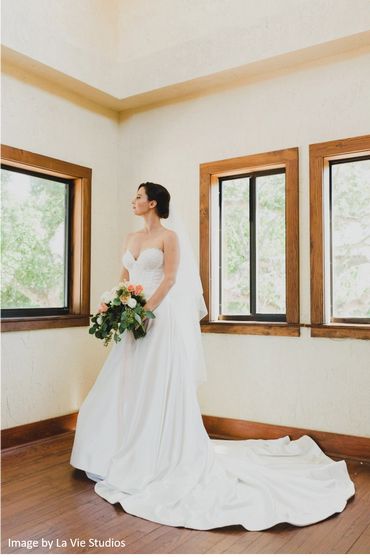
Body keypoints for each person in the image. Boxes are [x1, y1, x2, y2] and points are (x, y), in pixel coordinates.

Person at [70, 182, 354, 531]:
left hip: (158, 319)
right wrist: (114, 306)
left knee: (156, 382)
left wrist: (145, 311)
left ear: (153, 202)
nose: (133, 200)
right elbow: (124, 278)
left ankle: (158, 453)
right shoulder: (130, 238)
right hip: (131, 319)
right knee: (125, 381)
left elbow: (171, 279)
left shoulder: (169, 237)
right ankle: (114, 449)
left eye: (139, 196)